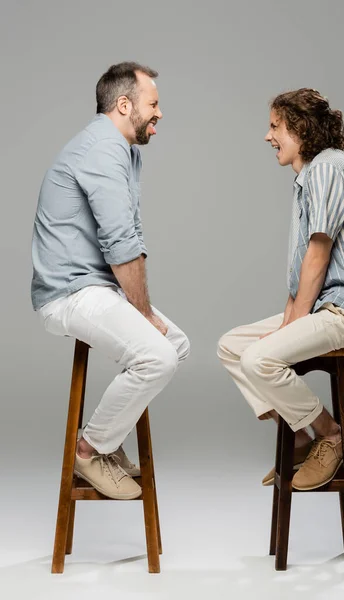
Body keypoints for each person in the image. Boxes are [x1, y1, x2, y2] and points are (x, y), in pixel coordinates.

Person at [32, 62, 190, 500]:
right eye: (153, 104)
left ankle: (107, 441)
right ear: (125, 104)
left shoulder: (123, 149)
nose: (160, 113)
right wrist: (141, 315)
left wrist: (142, 315)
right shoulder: (102, 149)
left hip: (96, 288)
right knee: (157, 356)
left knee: (175, 346)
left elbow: (128, 237)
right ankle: (88, 450)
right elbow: (121, 244)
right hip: (69, 293)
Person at [218, 88, 344, 491]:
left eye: (275, 126)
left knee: (260, 358)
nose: (267, 136)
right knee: (231, 347)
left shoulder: (329, 168)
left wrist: (288, 330)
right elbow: (300, 276)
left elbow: (319, 253)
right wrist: (288, 326)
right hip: (322, 310)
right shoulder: (307, 178)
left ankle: (330, 435)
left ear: (300, 128)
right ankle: (295, 438)